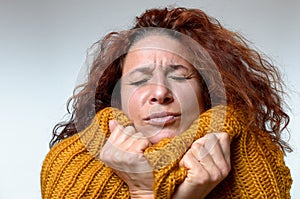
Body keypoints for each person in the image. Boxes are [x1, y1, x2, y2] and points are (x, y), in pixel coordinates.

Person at [41, 7, 292, 199]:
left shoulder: (257, 160)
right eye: (139, 80)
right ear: (117, 100)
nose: (160, 92)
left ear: (206, 91)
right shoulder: (69, 167)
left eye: (179, 76)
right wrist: (145, 191)